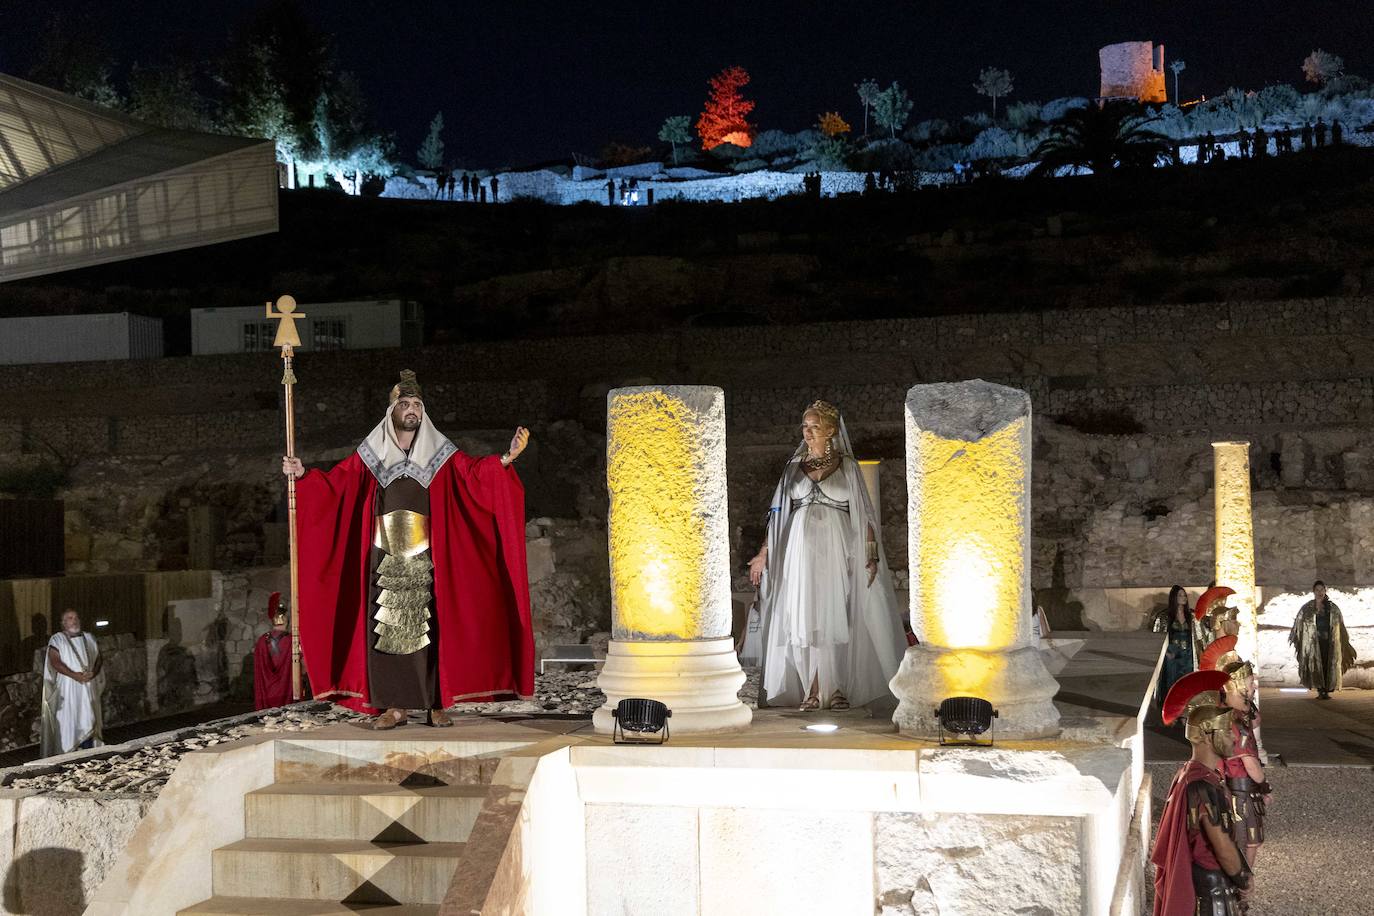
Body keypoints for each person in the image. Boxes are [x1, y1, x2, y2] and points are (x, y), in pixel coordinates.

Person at [285, 370, 534, 729]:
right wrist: (304, 474)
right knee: (389, 631)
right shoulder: (372, 454)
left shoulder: (440, 453)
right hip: (384, 555)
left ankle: (436, 703)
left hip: (430, 554)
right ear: (392, 412)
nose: (411, 409)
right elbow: (337, 484)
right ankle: (395, 706)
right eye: (404, 404)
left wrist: (505, 460)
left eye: (417, 404)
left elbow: (474, 475)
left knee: (433, 628)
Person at [748, 400, 907, 710]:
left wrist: (870, 554)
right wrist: (763, 553)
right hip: (799, 550)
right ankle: (813, 688)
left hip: (836, 547)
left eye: (815, 427)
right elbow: (777, 512)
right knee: (804, 618)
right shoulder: (794, 468)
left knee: (835, 616)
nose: (808, 433)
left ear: (831, 430)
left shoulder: (847, 466)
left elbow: (865, 516)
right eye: (805, 427)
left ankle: (837, 689)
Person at [1153, 670, 1252, 916]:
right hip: (1211, 896)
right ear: (1208, 736)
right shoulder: (1202, 786)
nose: (1232, 738)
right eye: (1227, 732)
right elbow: (1222, 846)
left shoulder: (1191, 774)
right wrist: (1244, 878)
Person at [1219, 660, 1269, 873]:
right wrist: (1265, 785)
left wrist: (1247, 700)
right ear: (1237, 686)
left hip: (1231, 787)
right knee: (1248, 840)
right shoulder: (1236, 724)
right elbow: (1252, 767)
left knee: (1244, 839)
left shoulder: (1227, 713)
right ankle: (1242, 884)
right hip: (1240, 791)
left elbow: (1256, 720)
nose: (1254, 686)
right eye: (1250, 683)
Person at [40, 609, 104, 757]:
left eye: (76, 617)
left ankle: (90, 752)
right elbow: (55, 662)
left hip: (88, 685)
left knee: (88, 717)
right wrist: (74, 675)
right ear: (63, 623)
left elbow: (99, 658)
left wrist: (93, 672)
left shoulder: (89, 638)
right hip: (68, 687)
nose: (74, 620)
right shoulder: (57, 639)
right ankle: (69, 754)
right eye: (69, 618)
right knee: (71, 719)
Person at [1289, 580, 1356, 700]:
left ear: (1325, 591)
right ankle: (1320, 690)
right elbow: (1299, 623)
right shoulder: (1307, 608)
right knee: (1316, 665)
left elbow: (1340, 625)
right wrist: (1298, 638)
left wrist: (1342, 640)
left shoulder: (1333, 608)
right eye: (1317, 590)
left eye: (1322, 590)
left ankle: (1326, 689)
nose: (1320, 592)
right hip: (1313, 643)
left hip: (1329, 642)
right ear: (1314, 592)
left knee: (1327, 664)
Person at [1151, 585, 1202, 710]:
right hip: (1172, 656)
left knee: (1187, 683)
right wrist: (1167, 654)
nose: (1183, 598)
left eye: (1184, 595)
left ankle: (1186, 711)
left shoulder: (1192, 616)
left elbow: (1199, 637)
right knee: (1172, 683)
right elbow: (1157, 639)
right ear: (1174, 598)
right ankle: (1172, 711)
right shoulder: (1164, 617)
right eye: (1180, 595)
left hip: (1188, 655)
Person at [253, 592, 294, 710]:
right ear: (286, 620)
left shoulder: (262, 640)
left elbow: (259, 669)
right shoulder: (292, 640)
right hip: (286, 688)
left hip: (266, 690)